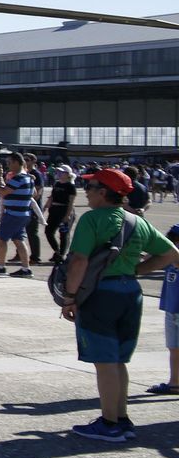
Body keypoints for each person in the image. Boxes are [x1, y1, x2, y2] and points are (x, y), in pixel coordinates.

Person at [59, 169, 179, 442]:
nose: (86, 191)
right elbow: (171, 254)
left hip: (101, 295)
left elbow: (79, 261)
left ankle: (109, 422)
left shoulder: (92, 220)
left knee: (104, 361)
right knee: (118, 360)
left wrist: (69, 297)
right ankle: (121, 419)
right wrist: (136, 270)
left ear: (104, 193)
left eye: (91, 188)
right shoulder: (136, 221)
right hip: (130, 293)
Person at [147, 225, 179, 397]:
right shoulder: (169, 258)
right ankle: (175, 383)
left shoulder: (173, 257)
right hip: (172, 308)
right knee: (174, 348)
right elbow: (152, 260)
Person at [0, 153, 34, 278]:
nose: (8, 165)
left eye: (9, 162)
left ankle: (0, 266)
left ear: (17, 162)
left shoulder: (19, 178)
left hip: (14, 214)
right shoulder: (28, 178)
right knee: (18, 240)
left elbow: (2, 192)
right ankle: (26, 269)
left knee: (1, 239)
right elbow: (35, 193)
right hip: (23, 213)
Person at [44, 165, 78, 265]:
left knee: (63, 234)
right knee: (48, 231)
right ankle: (57, 251)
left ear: (68, 174)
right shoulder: (57, 184)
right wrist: (46, 206)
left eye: (61, 172)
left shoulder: (70, 186)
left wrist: (67, 216)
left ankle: (62, 255)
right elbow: (52, 197)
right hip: (54, 210)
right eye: (58, 172)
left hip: (64, 210)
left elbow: (71, 202)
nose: (59, 174)